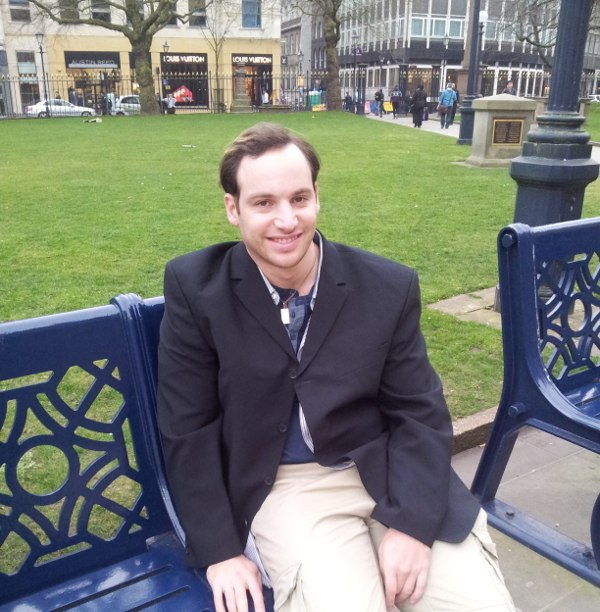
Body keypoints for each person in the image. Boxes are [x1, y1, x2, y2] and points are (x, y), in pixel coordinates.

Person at [157, 122, 516, 612]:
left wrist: (412, 525)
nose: (286, 220)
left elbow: (419, 411)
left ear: (316, 198)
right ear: (232, 208)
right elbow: (187, 426)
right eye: (263, 203)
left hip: (389, 469)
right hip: (286, 486)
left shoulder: (387, 286)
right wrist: (220, 550)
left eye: (299, 198)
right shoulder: (196, 288)